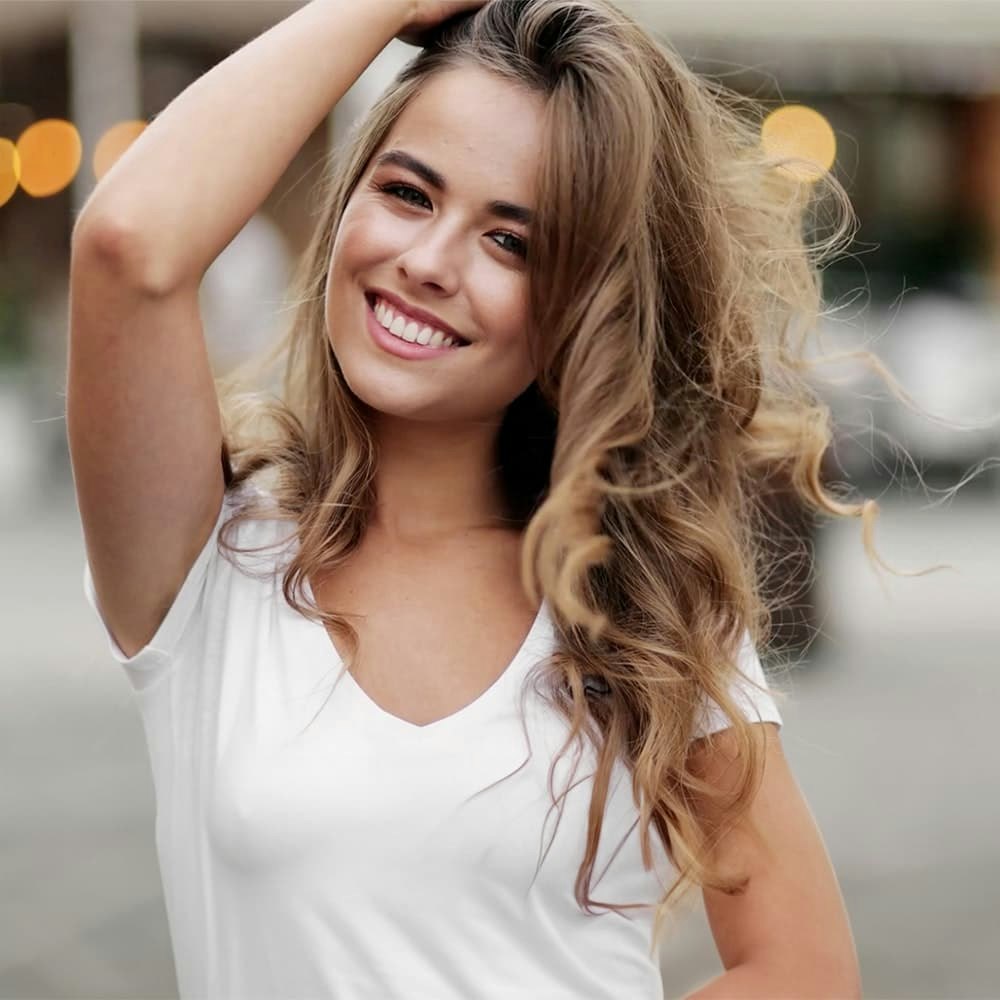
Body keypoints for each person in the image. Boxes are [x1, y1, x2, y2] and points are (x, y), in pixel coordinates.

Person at [67, 1, 864, 996]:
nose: (430, 262)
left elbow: (801, 968)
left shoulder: (635, 601)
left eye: (512, 244)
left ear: (581, 310)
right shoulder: (210, 556)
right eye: (407, 192)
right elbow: (127, 246)